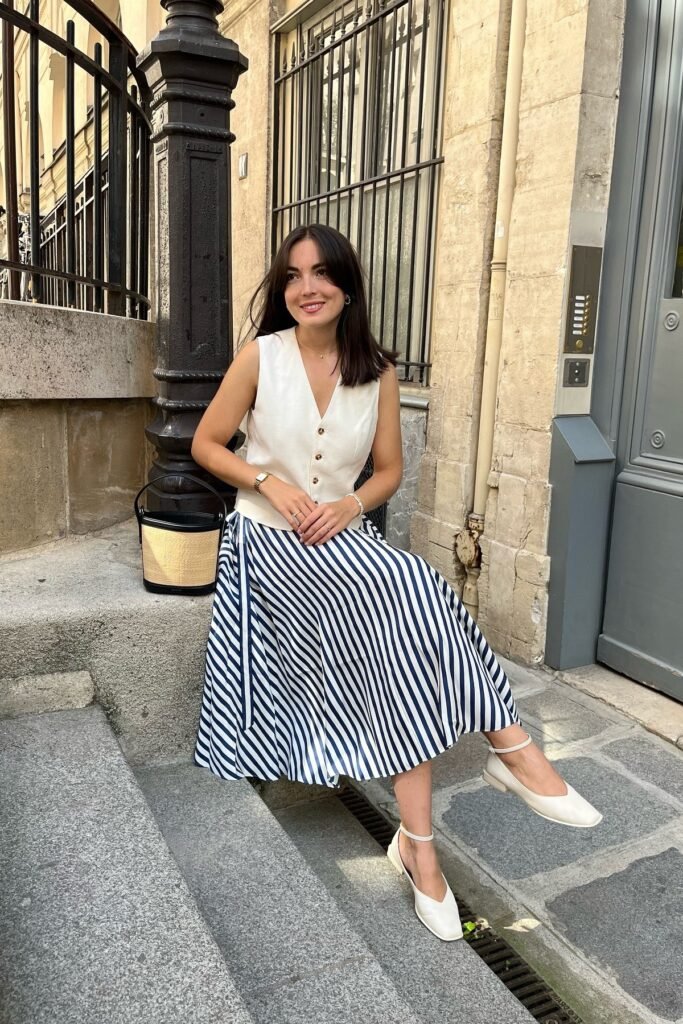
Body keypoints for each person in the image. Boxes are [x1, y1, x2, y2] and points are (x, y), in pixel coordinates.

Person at [190, 224, 602, 943]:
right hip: (266, 543)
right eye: (292, 276)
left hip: (341, 540)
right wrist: (267, 483)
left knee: (405, 633)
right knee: (411, 589)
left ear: (346, 285)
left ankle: (423, 843)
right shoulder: (261, 357)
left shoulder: (376, 370)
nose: (305, 288)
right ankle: (509, 757)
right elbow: (203, 443)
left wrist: (351, 504)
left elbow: (386, 471)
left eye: (320, 274)